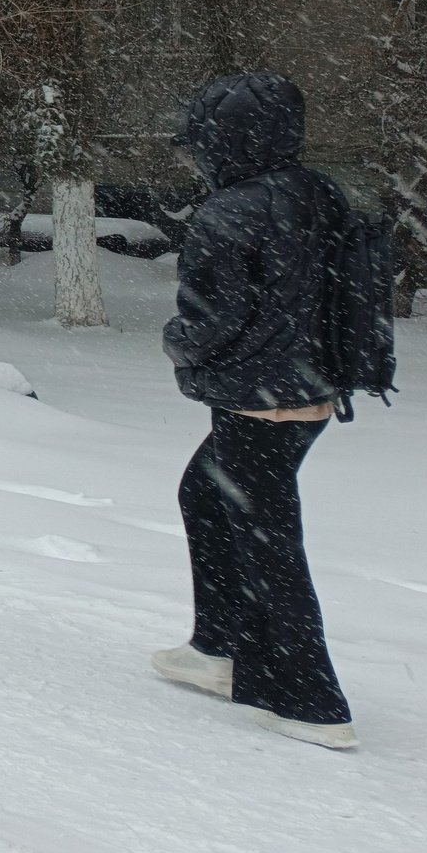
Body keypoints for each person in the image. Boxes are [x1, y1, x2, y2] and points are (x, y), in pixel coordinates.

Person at [154, 72, 359, 751]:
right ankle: (219, 650)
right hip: (312, 392)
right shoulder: (320, 193)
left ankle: (312, 699)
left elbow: (213, 318)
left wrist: (177, 344)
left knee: (270, 539)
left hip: (256, 400)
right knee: (207, 496)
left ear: (228, 141)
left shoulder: (230, 210)